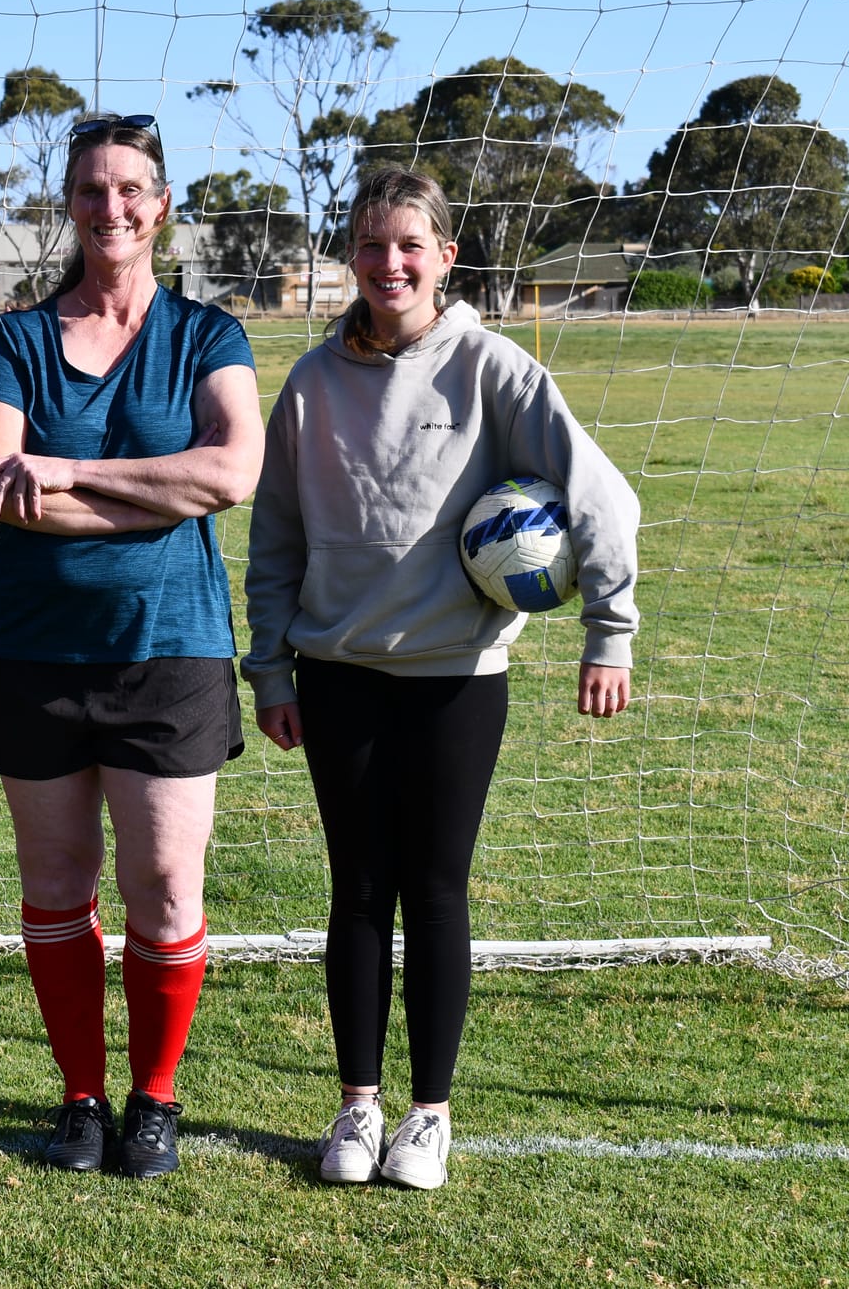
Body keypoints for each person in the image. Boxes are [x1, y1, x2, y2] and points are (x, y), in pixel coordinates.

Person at [242, 167, 640, 1191]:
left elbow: (599, 494)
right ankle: (355, 1108)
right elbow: (274, 536)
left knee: (435, 887)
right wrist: (269, 661)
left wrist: (609, 630)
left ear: (444, 256)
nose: (390, 264)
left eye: (408, 245)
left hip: (458, 676)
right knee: (356, 889)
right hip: (334, 674)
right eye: (371, 246)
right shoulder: (310, 382)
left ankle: (427, 1115)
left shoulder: (494, 368)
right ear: (351, 259)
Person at [0, 113, 264, 1179]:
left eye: (130, 187)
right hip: (33, 650)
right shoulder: (18, 339)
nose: (110, 206)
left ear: (161, 202)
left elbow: (228, 475)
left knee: (165, 885)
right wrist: (152, 487)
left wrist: (72, 475)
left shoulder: (208, 335)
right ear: (69, 205)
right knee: (55, 883)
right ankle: (81, 1098)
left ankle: (155, 1096)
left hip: (168, 647)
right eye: (90, 189)